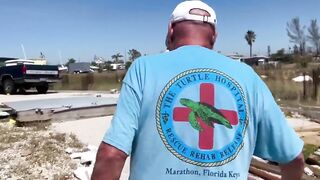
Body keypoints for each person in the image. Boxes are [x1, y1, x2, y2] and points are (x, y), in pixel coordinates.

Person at [92, 1, 305, 180]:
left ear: (170, 30)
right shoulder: (247, 76)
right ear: (214, 35)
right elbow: (294, 158)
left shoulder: (143, 68)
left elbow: (111, 155)